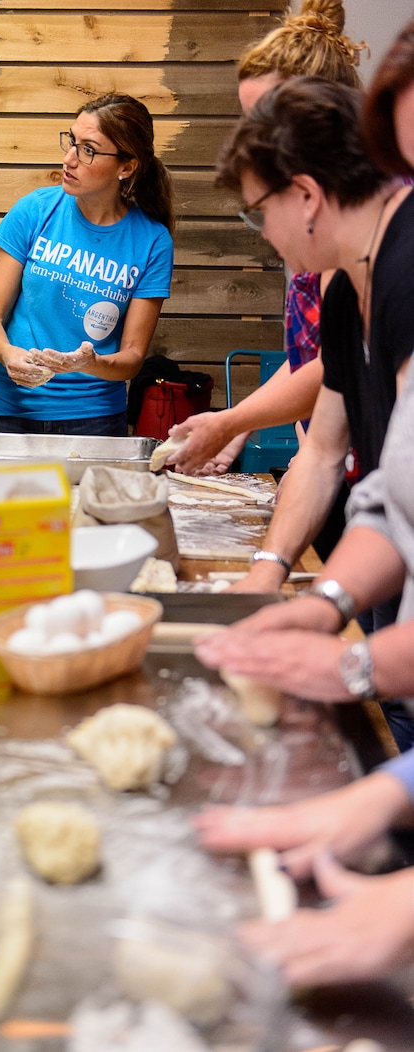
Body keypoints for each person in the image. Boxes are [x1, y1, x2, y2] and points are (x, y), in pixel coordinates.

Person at [192, 19, 414, 988]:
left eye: (257, 214)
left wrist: (355, 663)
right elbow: (389, 496)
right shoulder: (363, 279)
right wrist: (319, 599)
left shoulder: (406, 270)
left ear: (308, 197)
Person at [159, 0, 367, 481]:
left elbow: (334, 366)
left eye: (263, 117)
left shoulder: (368, 232)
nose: (253, 136)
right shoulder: (311, 218)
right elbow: (312, 356)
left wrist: (237, 421)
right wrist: (239, 430)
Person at [0, 93, 174, 437]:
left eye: (89, 150)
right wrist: (8, 354)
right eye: (72, 141)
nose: (69, 159)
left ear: (126, 167)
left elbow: (132, 357)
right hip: (11, 413)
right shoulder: (34, 210)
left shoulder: (152, 241)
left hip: (95, 421)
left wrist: (90, 363)